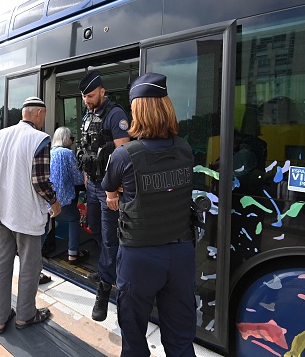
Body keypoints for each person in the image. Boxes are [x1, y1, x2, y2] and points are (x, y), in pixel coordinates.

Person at [102, 73, 196, 357]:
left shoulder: (124, 155)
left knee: (133, 340)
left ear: (137, 111)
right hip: (181, 254)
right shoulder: (185, 149)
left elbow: (109, 189)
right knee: (180, 340)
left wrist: (117, 194)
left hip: (139, 257)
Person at [0, 96, 61, 334]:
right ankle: (25, 315)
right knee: (29, 266)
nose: (44, 120)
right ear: (38, 114)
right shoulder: (40, 139)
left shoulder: (1, 135)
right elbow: (40, 181)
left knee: (3, 264)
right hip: (26, 216)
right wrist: (54, 203)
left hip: (0, 212)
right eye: (43, 116)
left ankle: (0, 318)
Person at [76, 70, 130, 321]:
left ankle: (104, 290)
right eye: (84, 96)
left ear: (101, 91)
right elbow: (86, 147)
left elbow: (123, 154)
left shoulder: (115, 114)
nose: (87, 100)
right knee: (94, 228)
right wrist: (87, 176)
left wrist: (115, 189)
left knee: (109, 239)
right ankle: (108, 268)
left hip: (109, 188)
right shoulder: (89, 115)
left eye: (90, 95)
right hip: (93, 185)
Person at [50, 127, 88, 264]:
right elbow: (78, 179)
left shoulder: (51, 152)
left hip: (49, 198)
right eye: (71, 138)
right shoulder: (67, 153)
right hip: (63, 198)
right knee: (74, 218)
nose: (72, 142)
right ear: (66, 139)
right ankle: (73, 254)